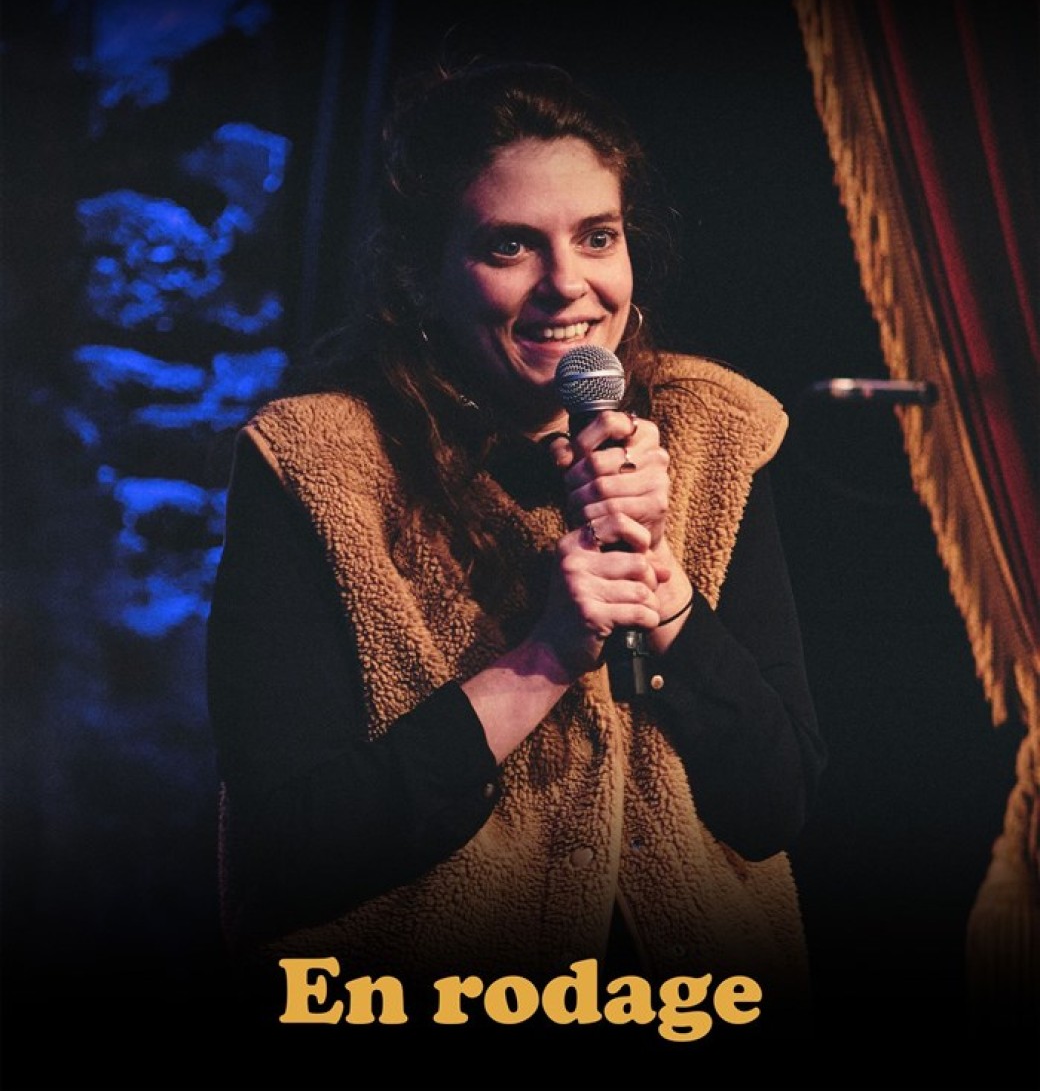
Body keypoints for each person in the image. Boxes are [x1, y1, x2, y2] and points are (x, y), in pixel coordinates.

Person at [205, 59, 827, 1046]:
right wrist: (544, 657)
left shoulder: (714, 434)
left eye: (597, 237)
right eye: (510, 245)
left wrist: (662, 588)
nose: (568, 285)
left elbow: (773, 804)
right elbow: (290, 848)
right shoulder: (317, 463)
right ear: (424, 275)